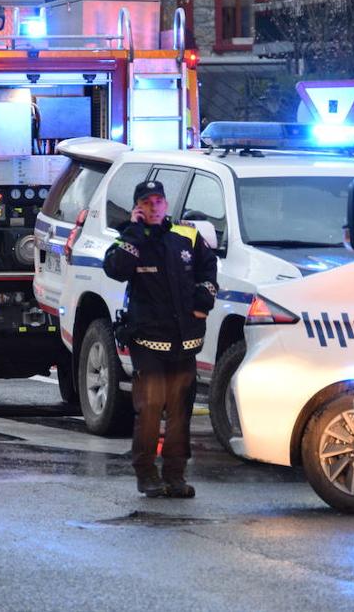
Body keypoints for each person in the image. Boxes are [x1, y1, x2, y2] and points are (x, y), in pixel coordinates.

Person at [103, 179, 218, 498]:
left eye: (158, 201)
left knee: (180, 411)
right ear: (138, 207)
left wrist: (202, 300)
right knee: (151, 408)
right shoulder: (130, 240)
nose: (154, 207)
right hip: (148, 341)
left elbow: (209, 268)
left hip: (184, 342)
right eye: (147, 202)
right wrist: (136, 231)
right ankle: (146, 473)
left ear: (166, 204)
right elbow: (116, 268)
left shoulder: (186, 235)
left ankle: (176, 475)